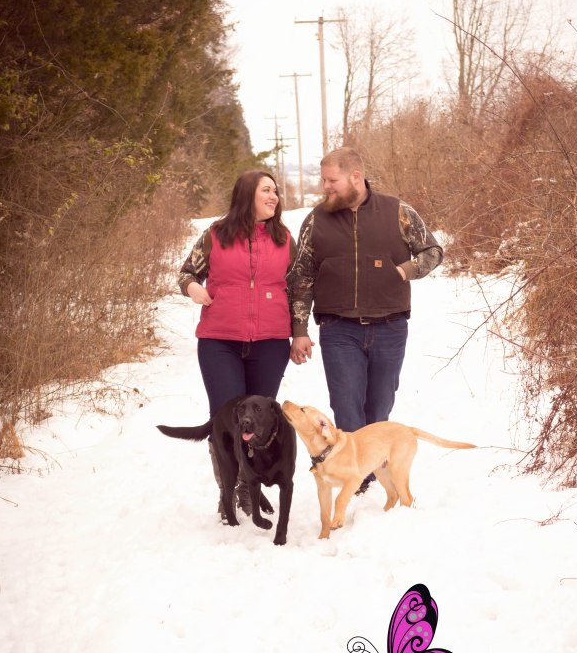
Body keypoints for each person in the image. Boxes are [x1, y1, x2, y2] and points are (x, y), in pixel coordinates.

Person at [287, 146, 444, 493]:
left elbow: (433, 251)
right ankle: (357, 481)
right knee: (345, 405)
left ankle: (371, 466)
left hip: (390, 327)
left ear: (355, 176)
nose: (326, 187)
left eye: (332, 180)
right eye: (323, 180)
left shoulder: (397, 212)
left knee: (380, 405)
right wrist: (299, 330)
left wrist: (404, 271)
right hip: (338, 329)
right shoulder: (316, 220)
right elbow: (301, 278)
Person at [179, 170, 295, 517]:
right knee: (226, 422)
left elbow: (301, 286)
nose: (274, 197)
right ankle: (228, 490)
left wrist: (300, 330)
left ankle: (248, 487)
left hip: (270, 342)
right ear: (247, 195)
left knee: (259, 425)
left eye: (275, 191)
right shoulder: (215, 235)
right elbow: (186, 272)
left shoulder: (285, 238)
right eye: (266, 191)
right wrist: (193, 289)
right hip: (220, 342)